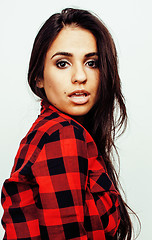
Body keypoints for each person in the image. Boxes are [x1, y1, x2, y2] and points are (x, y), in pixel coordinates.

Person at [1, 8, 137, 240]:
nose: (80, 76)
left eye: (92, 63)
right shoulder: (63, 135)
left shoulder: (49, 132)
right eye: (63, 63)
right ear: (39, 77)